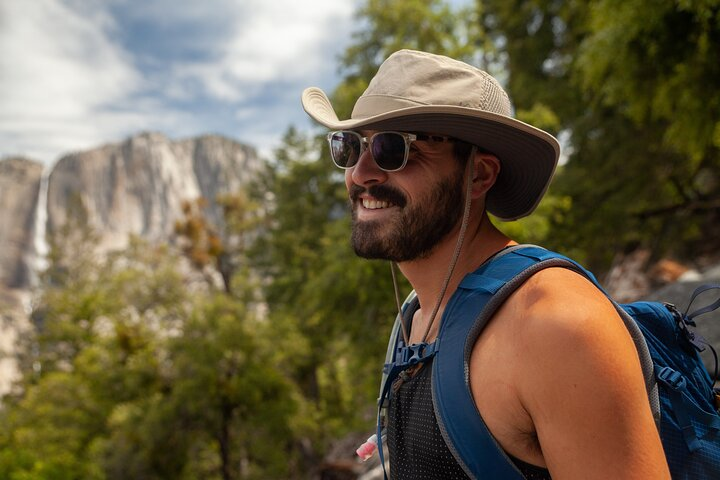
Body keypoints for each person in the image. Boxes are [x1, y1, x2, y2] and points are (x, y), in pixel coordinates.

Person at [302, 49, 670, 479]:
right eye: (351, 146)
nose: (361, 173)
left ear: (478, 175)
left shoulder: (555, 325)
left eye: (392, 149)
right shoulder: (416, 320)